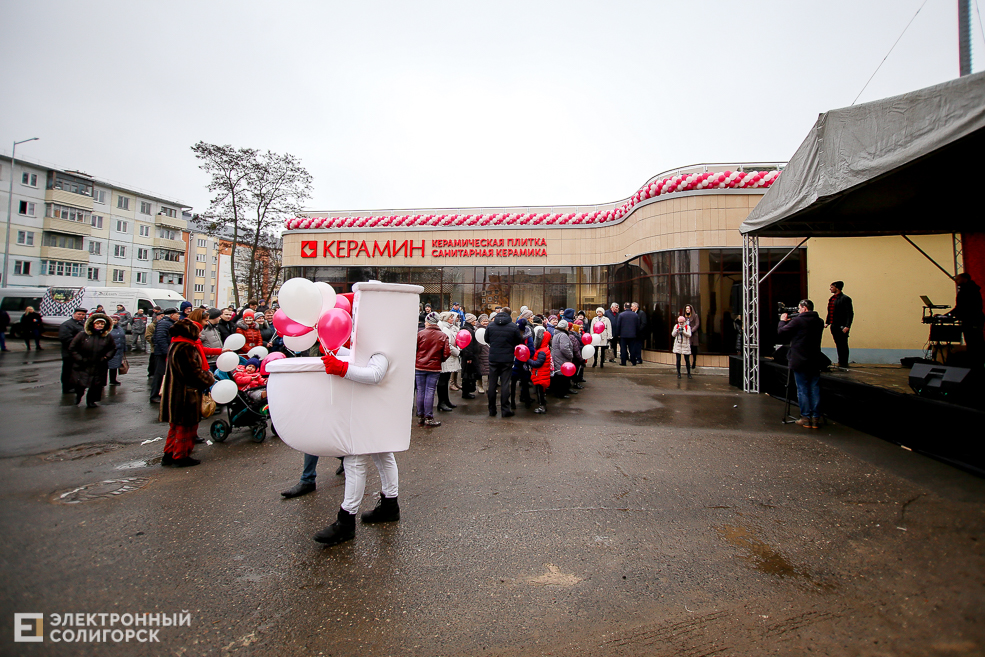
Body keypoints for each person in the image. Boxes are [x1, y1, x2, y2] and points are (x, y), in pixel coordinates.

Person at [312, 350, 401, 546]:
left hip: (368, 409)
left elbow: (375, 373)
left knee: (355, 460)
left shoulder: (380, 339)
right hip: (374, 407)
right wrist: (337, 350)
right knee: (383, 456)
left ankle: (346, 522)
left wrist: (341, 367)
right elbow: (363, 353)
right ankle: (389, 506)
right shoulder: (378, 338)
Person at [159, 318, 217, 466]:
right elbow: (192, 372)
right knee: (186, 427)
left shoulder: (176, 345)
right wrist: (209, 379)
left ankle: (169, 453)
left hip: (176, 392)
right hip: (185, 394)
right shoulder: (186, 347)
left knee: (176, 426)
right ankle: (181, 455)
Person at [777, 299, 825, 429]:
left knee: (803, 389)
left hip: (799, 359)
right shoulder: (819, 322)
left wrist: (782, 321)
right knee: (814, 388)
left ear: (804, 308)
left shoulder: (798, 321)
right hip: (815, 359)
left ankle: (805, 417)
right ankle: (816, 417)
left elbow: (781, 332)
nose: (798, 311)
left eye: (799, 308)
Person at [68, 312, 117, 408]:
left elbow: (112, 348)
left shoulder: (107, 337)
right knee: (80, 384)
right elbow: (72, 348)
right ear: (93, 324)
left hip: (99, 365)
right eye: (98, 323)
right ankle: (78, 396)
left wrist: (106, 357)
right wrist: (80, 359)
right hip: (83, 364)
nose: (100, 325)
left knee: (96, 385)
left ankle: (91, 401)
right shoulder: (82, 335)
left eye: (102, 324)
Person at [484, 306, 523, 417]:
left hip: (493, 357)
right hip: (507, 358)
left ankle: (492, 409)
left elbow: (487, 339)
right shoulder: (513, 326)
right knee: (505, 384)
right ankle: (505, 409)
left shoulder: (491, 325)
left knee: (492, 384)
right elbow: (517, 340)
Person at [415, 312, 449, 426]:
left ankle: (420, 416)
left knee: (420, 390)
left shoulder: (420, 334)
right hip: (434, 367)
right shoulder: (443, 336)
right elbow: (446, 353)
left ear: (428, 322)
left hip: (419, 366)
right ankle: (428, 417)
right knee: (430, 391)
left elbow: (415, 349)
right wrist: (440, 360)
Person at [948, 272, 985, 368]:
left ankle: (976, 366)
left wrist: (951, 314)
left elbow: (963, 306)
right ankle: (976, 365)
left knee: (974, 344)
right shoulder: (969, 289)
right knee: (973, 344)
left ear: (965, 279)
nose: (956, 281)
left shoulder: (968, 290)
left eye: (958, 279)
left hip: (972, 321)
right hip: (972, 320)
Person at [150, 308, 180, 403]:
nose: (179, 316)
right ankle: (155, 395)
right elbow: (160, 338)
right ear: (172, 315)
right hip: (162, 354)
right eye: (177, 314)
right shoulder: (164, 323)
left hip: (166, 352)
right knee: (159, 374)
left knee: (165, 375)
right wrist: (167, 352)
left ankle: (162, 394)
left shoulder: (170, 323)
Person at [436, 312, 461, 412]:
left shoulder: (451, 328)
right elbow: (447, 344)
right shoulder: (444, 328)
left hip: (450, 356)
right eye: (450, 318)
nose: (452, 319)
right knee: (442, 380)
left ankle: (446, 400)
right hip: (446, 357)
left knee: (446, 379)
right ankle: (441, 402)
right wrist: (457, 352)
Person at [825, 281, 853, 369]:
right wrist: (827, 322)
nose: (830, 289)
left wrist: (847, 326)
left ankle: (843, 362)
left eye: (832, 287)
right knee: (838, 343)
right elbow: (830, 311)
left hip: (841, 325)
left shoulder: (845, 299)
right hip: (834, 325)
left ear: (837, 288)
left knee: (843, 344)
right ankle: (840, 361)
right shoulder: (832, 299)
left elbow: (849, 313)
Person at [59, 309, 87, 393]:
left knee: (76, 371)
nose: (81, 316)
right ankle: (66, 388)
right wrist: (80, 342)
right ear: (74, 314)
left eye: (83, 314)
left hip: (79, 353)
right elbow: (65, 338)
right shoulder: (67, 325)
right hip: (69, 353)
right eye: (79, 314)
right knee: (68, 371)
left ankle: (73, 386)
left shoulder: (82, 324)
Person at [529, 325, 552, 413]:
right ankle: (542, 404)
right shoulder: (545, 349)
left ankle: (542, 406)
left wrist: (528, 361)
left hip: (540, 375)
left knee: (539, 392)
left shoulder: (542, 351)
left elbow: (538, 363)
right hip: (542, 375)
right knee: (541, 391)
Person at [550, 319, 574, 398]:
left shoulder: (556, 334)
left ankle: (557, 392)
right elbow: (564, 348)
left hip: (556, 357)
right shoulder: (563, 335)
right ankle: (561, 393)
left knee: (557, 376)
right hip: (562, 358)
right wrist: (570, 355)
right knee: (561, 376)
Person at [459, 314, 479, 399]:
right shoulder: (469, 331)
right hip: (468, 356)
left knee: (467, 374)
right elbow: (468, 345)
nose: (476, 322)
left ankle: (466, 391)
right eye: (475, 320)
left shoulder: (466, 329)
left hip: (466, 355)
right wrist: (469, 357)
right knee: (468, 374)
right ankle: (466, 392)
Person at [107, 316, 127, 386]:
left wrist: (124, 349)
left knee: (115, 366)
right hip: (110, 350)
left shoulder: (120, 328)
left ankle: (113, 380)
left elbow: (123, 339)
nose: (114, 321)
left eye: (115, 320)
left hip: (119, 351)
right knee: (107, 366)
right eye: (112, 320)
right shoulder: (107, 329)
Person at [475, 314, 490, 395]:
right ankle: (480, 386)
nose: (485, 322)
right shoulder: (476, 329)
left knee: (490, 371)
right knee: (480, 371)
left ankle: (489, 386)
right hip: (480, 353)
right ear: (480, 322)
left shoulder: (490, 329)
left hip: (489, 352)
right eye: (484, 321)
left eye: (487, 321)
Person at [684, 304, 699, 371]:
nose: (687, 310)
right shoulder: (684, 317)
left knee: (694, 349)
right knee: (688, 349)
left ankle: (694, 362)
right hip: (687, 335)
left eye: (688, 309)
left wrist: (692, 331)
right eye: (686, 309)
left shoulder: (695, 316)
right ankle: (688, 363)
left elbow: (697, 324)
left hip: (693, 334)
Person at [145, 310, 159, 377]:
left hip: (160, 347)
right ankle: (151, 373)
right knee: (153, 360)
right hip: (154, 347)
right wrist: (153, 341)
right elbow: (147, 336)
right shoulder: (151, 326)